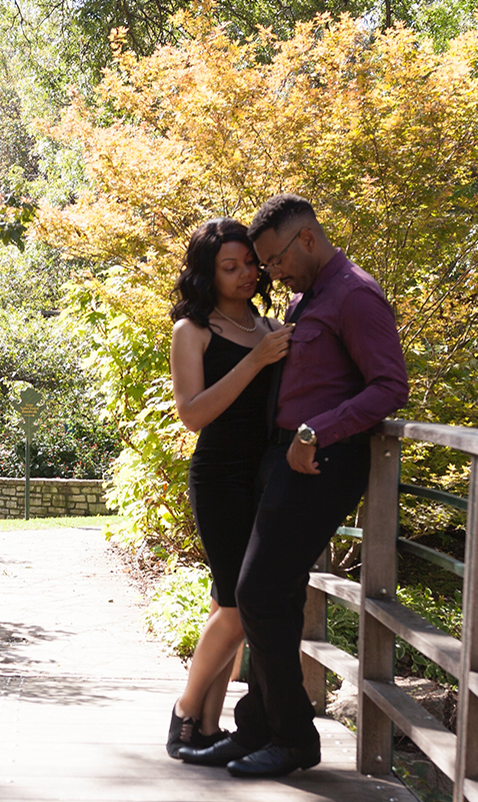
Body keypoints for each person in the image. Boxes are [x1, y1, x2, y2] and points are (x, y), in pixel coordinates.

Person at [180, 194, 409, 777]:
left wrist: (316, 431)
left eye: (274, 259)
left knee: (256, 593)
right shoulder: (306, 299)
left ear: (305, 239)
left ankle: (294, 738)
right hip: (281, 462)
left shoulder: (354, 294)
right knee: (271, 597)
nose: (269, 273)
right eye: (260, 263)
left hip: (320, 462)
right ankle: (259, 726)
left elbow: (388, 385)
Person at [164, 218, 293, 757]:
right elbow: (192, 415)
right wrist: (255, 362)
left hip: (263, 477)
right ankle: (184, 712)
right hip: (218, 477)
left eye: (249, 264)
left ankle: (210, 729)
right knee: (239, 605)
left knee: (231, 603)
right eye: (229, 267)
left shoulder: (267, 327)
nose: (245, 274)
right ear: (207, 274)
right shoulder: (192, 331)